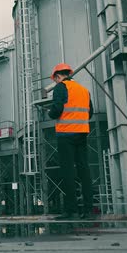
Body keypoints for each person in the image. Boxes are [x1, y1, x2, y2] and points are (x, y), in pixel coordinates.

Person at [48, 63, 95, 220]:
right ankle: (88, 210)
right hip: (82, 133)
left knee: (68, 171)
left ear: (58, 76)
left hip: (65, 134)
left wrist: (50, 113)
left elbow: (57, 109)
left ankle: (71, 210)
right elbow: (90, 113)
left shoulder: (60, 87)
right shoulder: (84, 90)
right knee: (84, 170)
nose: (55, 82)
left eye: (55, 79)